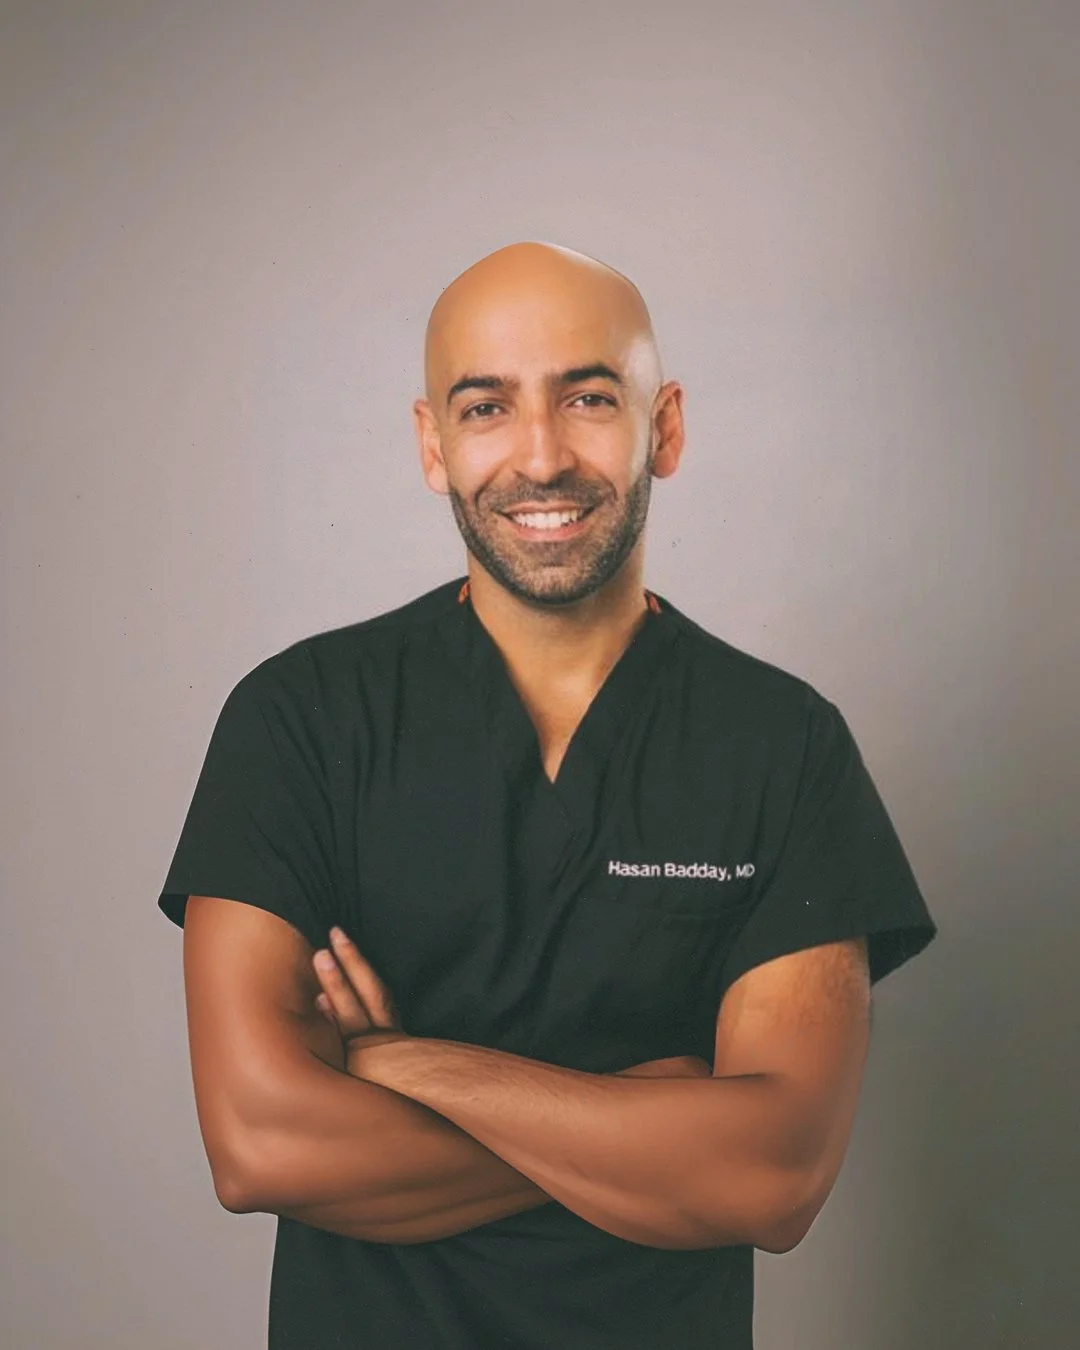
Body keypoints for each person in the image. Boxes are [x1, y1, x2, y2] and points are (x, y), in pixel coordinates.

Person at [158, 240, 937, 1349]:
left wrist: (406, 1066)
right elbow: (259, 1147)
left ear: (661, 427)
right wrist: (651, 1112)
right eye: (485, 407)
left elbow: (771, 1177)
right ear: (433, 444)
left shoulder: (784, 747)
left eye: (585, 396)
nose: (539, 456)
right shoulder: (298, 722)